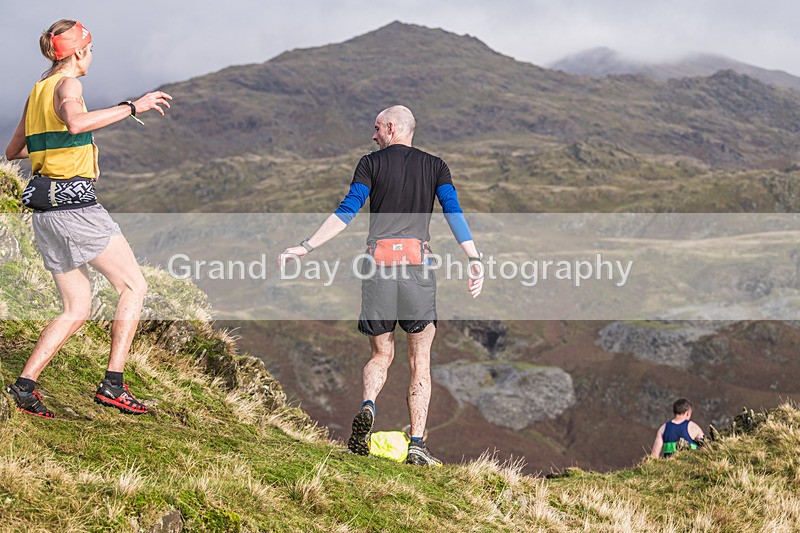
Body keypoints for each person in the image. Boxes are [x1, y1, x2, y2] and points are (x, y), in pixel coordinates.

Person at [280, 105, 483, 466]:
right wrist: (474, 257)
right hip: (417, 267)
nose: (373, 136)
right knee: (420, 360)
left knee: (381, 354)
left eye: (376, 128)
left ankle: (368, 405)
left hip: (378, 266)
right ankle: (417, 445)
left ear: (391, 127)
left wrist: (306, 246)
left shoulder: (370, 164)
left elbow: (347, 210)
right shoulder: (436, 166)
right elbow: (453, 211)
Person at [4, 19, 173, 418]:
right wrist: (132, 107)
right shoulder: (69, 85)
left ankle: (24, 386)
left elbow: (14, 149)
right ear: (79, 51)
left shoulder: (37, 91)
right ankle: (114, 384)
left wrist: (57, 142)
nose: (92, 57)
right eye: (91, 50)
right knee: (134, 285)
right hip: (76, 207)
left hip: (44, 210)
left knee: (76, 307)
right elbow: (77, 121)